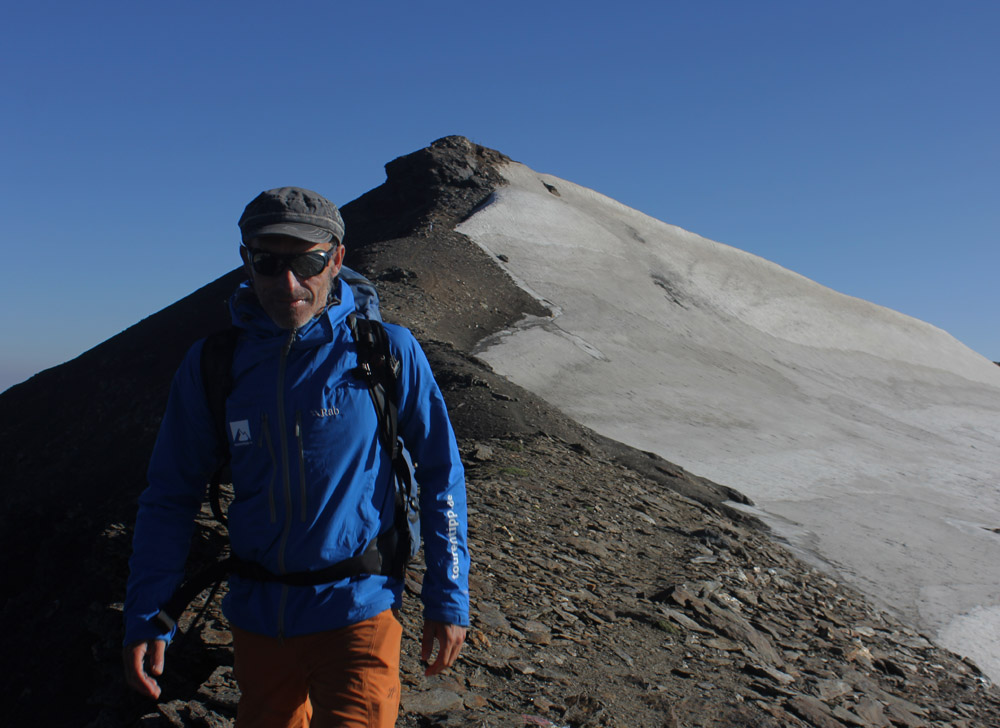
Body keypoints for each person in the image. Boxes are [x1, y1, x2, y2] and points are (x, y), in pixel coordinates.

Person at [123, 187, 470, 727]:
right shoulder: (215, 364)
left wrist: (448, 597)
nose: (288, 283)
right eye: (268, 262)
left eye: (307, 262)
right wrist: (149, 612)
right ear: (247, 261)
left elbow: (442, 474)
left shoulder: (386, 351)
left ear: (336, 259)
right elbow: (170, 495)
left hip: (360, 611)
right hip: (258, 619)